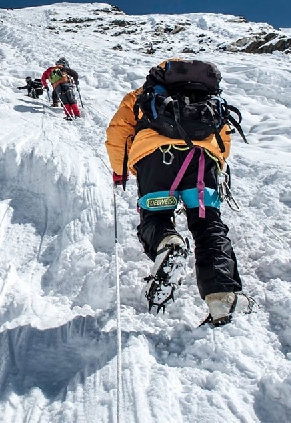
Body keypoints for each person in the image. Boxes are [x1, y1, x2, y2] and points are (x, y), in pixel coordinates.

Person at [105, 58, 252, 326]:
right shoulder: (207, 96)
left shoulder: (142, 95)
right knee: (209, 225)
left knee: (156, 215)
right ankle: (222, 296)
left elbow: (118, 133)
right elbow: (224, 137)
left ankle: (167, 243)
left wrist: (120, 170)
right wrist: (215, 163)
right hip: (202, 161)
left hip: (155, 159)